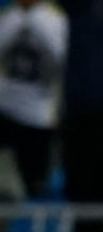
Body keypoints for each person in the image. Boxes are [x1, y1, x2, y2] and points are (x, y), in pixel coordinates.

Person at [0, 0, 67, 198]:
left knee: (35, 186)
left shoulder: (55, 20)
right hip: (6, 110)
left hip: (39, 116)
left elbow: (63, 63)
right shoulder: (7, 17)